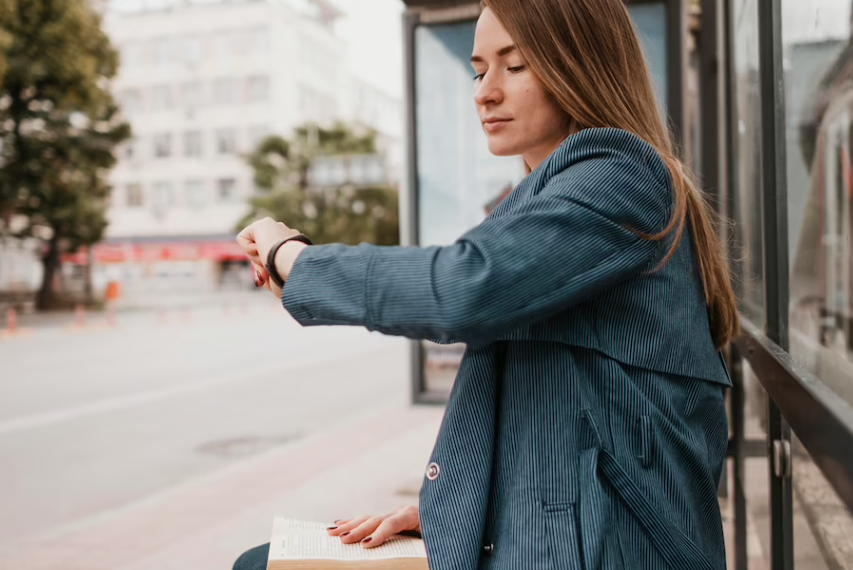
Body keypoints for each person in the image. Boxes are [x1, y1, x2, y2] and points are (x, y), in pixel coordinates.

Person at [232, 0, 738, 568]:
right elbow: (556, 406)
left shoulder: (618, 174)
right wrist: (454, 507)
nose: (485, 92)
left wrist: (293, 258)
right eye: (478, 70)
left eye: (514, 66)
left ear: (580, 64)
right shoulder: (559, 196)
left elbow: (460, 289)